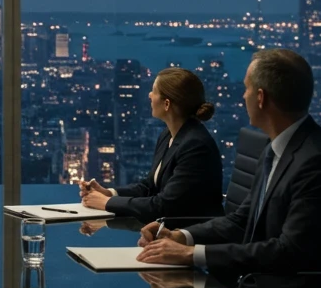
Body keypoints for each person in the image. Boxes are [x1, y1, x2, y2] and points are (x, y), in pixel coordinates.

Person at [135, 50, 321, 288]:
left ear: (261, 97)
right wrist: (182, 237)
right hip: (261, 285)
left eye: (246, 89)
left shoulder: (317, 163)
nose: (243, 96)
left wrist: (191, 254)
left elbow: (288, 252)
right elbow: (242, 221)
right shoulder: (278, 149)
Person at [79, 67, 223, 219]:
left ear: (167, 104)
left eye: (154, 91)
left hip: (193, 234)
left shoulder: (195, 146)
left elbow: (164, 206)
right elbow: (150, 186)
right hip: (166, 230)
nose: (149, 95)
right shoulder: (168, 135)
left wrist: (107, 203)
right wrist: (109, 193)